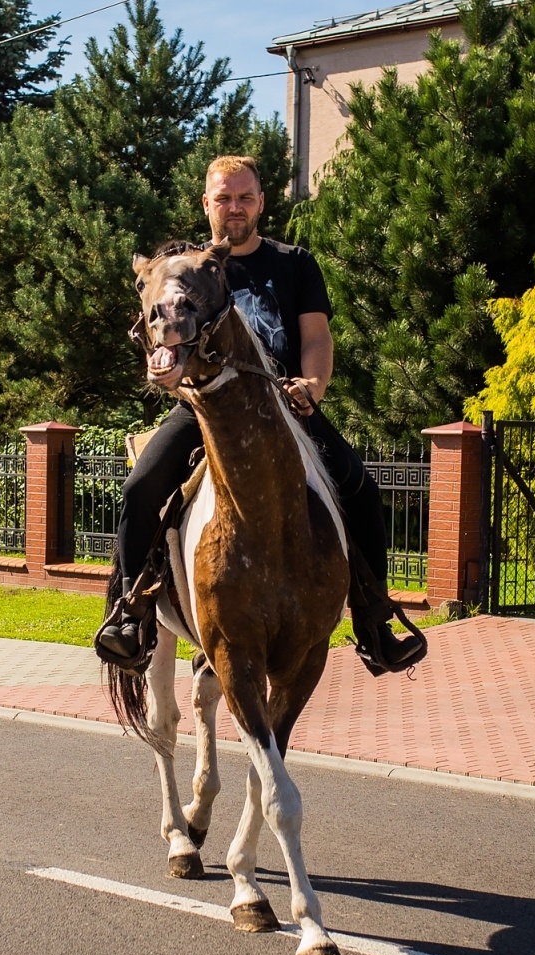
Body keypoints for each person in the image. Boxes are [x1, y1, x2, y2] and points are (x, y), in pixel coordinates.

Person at [96, 155, 425, 675]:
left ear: (261, 203)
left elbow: (316, 338)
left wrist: (313, 387)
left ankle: (373, 619)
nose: (235, 208)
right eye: (224, 198)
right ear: (206, 203)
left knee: (360, 487)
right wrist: (164, 373)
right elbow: (160, 337)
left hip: (287, 408)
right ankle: (132, 615)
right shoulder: (182, 269)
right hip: (203, 407)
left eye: (245, 197)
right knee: (141, 487)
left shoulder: (293, 263)